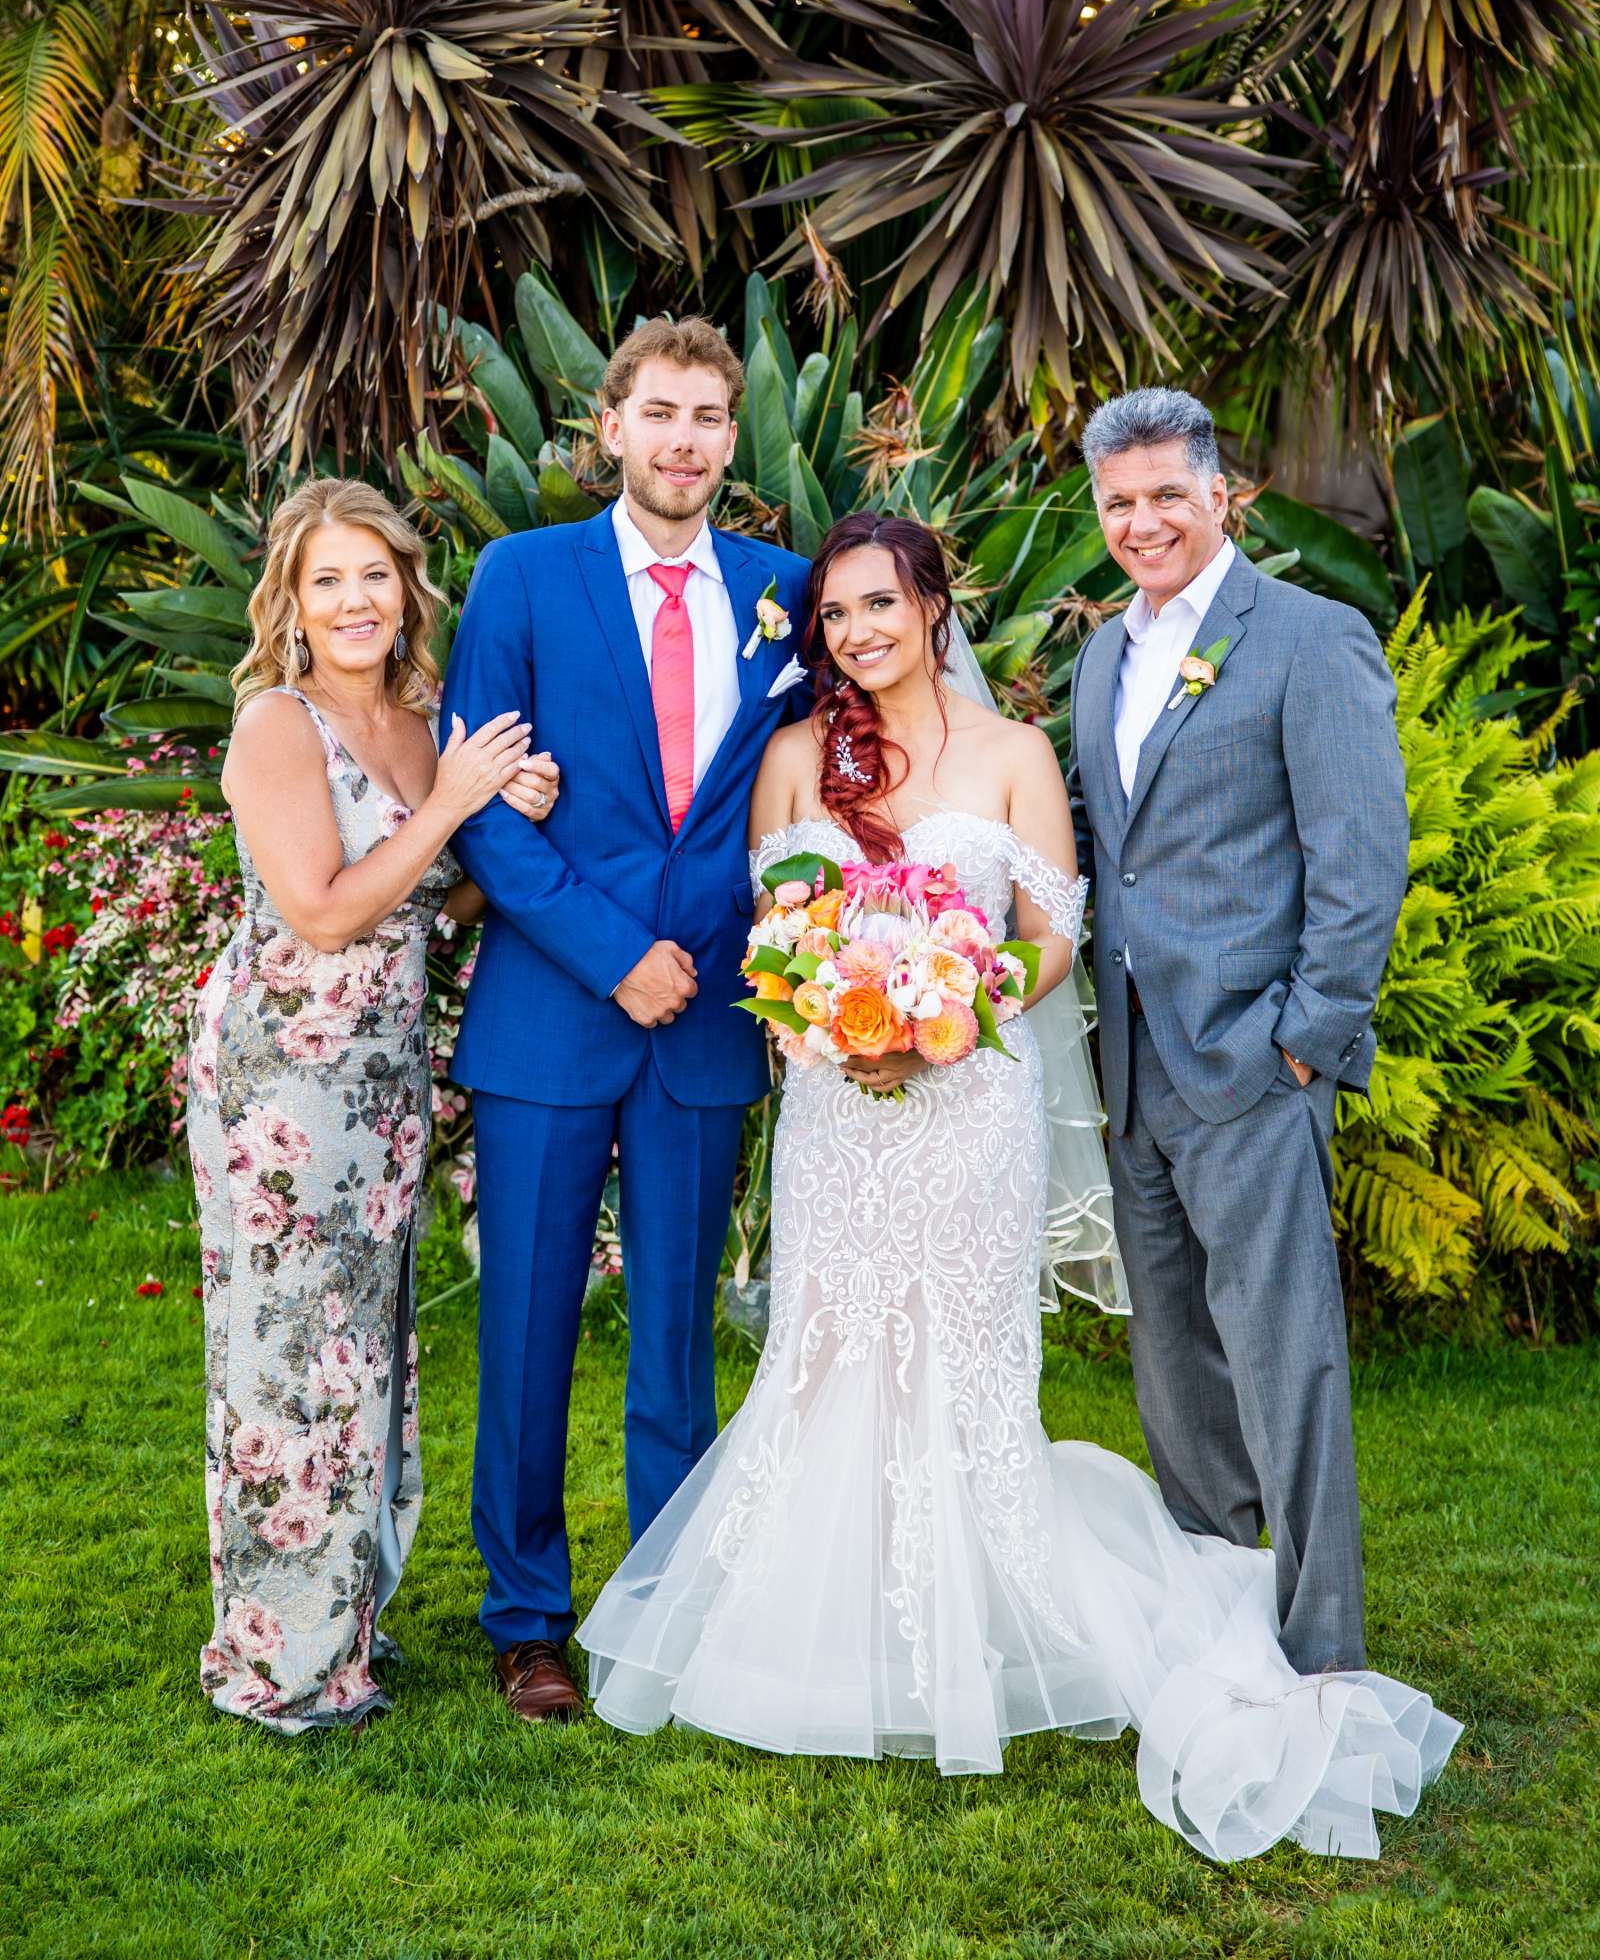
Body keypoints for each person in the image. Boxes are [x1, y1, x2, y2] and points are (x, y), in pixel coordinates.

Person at [576, 510, 1459, 1862]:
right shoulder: (801, 757)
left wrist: (955, 1012)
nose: (860, 633)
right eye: (837, 615)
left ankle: (983, 1618)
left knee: (965, 1359)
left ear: (934, 606)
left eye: (883, 604)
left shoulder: (1013, 754)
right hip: (836, 1110)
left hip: (966, 1094)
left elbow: (1054, 933)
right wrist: (821, 1020)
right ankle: (826, 1622)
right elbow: (771, 932)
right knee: (827, 1352)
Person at [440, 315, 812, 1724]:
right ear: (610, 429)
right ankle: (529, 1616)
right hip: (554, 1011)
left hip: (710, 1015)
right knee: (529, 1327)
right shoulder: (521, 578)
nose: (685, 441)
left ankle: (667, 1607)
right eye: (660, 414)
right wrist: (613, 957)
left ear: (733, 438)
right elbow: (488, 810)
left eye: (711, 417)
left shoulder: (785, 592)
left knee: (674, 1336)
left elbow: (802, 795)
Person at [188, 477, 557, 1731]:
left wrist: (501, 822)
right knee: (287, 1351)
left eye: (374, 576)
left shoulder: (418, 721)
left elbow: (423, 902)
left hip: (384, 1072)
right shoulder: (276, 725)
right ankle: (280, 1658)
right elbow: (326, 907)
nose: (354, 601)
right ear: (291, 603)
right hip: (284, 1079)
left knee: (361, 1349)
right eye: (326, 580)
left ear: (408, 591)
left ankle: (346, 1622)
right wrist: (457, 803)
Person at [1066, 386, 1404, 1679]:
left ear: (1222, 495)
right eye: (1118, 502)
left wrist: (1306, 1040)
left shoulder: (1309, 639)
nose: (1142, 521)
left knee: (1286, 1370)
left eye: (1165, 494)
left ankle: (1320, 1652)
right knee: (1174, 1375)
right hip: (1137, 1071)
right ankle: (1217, 1621)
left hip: (1255, 1064)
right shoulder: (1106, 654)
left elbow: (1361, 857)